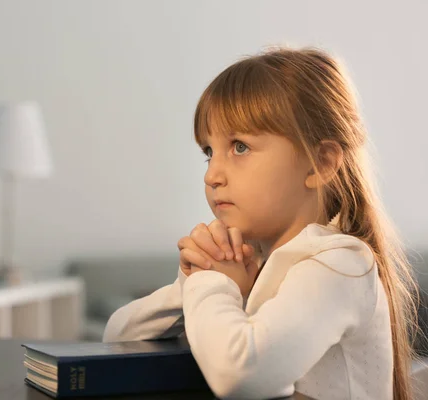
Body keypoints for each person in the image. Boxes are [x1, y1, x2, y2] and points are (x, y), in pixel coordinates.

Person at [103, 47, 419, 400]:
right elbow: (118, 337)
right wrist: (192, 279)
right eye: (209, 152)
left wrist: (212, 281)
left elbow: (240, 375)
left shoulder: (339, 265)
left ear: (321, 163)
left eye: (239, 147)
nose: (212, 175)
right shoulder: (255, 260)